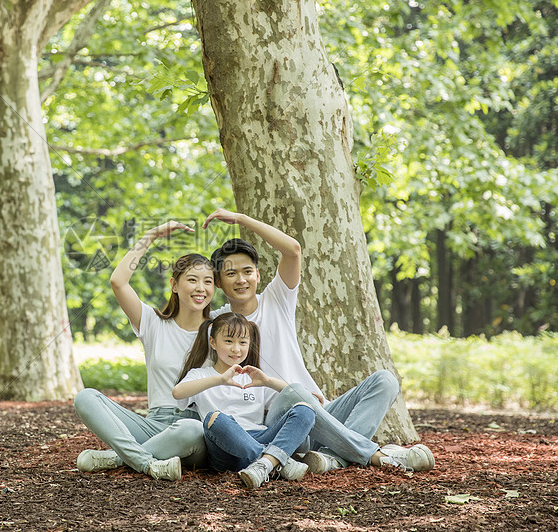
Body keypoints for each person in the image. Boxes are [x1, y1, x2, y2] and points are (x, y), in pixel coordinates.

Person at [205, 208, 435, 473]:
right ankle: (376, 456)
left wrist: (241, 219)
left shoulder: (276, 299)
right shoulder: (215, 324)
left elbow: (292, 250)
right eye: (231, 273)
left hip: (321, 413)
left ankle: (330, 459)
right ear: (219, 283)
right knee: (294, 392)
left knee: (385, 380)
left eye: (247, 271)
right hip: (281, 424)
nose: (241, 279)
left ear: (257, 274)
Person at [73, 221, 213, 481]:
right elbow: (118, 281)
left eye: (208, 281)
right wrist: (151, 235)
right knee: (86, 398)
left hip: (196, 431)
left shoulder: (221, 328)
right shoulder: (153, 323)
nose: (200, 288)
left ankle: (118, 459)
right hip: (154, 426)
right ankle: (146, 462)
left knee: (190, 429)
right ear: (174, 285)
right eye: (192, 280)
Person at [172, 312, 316, 489]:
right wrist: (219, 380)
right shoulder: (201, 375)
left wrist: (268, 381)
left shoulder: (254, 377)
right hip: (224, 450)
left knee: (305, 409)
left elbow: (293, 395)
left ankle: (264, 465)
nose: (236, 349)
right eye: (228, 341)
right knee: (215, 418)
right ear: (213, 342)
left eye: (242, 342)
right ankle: (275, 462)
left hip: (259, 437)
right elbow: (178, 392)